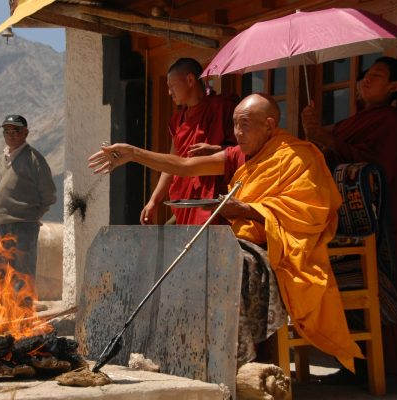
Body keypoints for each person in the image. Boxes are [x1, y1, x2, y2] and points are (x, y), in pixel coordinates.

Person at [89, 93, 364, 372]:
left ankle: (240, 361)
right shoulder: (240, 155)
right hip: (245, 241)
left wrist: (247, 210)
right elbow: (185, 166)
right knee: (192, 259)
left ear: (269, 125)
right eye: (234, 125)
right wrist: (135, 153)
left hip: (281, 246)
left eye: (245, 125)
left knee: (232, 266)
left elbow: (310, 211)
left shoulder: (298, 156)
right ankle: (192, 353)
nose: (237, 133)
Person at [301, 56, 397, 375]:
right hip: (344, 223)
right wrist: (315, 133)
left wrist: (327, 138)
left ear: (394, 87)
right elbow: (330, 160)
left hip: (380, 227)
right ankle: (356, 363)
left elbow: (379, 169)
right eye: (365, 75)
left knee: (385, 296)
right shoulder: (352, 122)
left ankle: (392, 367)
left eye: (377, 76)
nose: (365, 80)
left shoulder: (393, 122)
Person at [142, 58, 238, 225]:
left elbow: (244, 150)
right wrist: (154, 200)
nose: (170, 93)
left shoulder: (223, 107)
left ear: (190, 80)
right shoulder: (178, 120)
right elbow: (172, 163)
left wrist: (215, 149)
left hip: (217, 197)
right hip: (186, 200)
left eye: (172, 87)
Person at [0, 115, 56, 285]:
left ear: (25, 132)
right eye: (6, 131)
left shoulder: (34, 159)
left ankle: (22, 311)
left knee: (21, 275)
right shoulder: (1, 159)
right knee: (1, 273)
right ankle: (3, 311)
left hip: (24, 226)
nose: (10, 134)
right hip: (1, 224)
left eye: (16, 130)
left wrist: (31, 215)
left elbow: (49, 194)